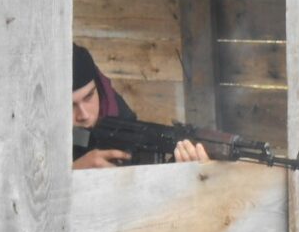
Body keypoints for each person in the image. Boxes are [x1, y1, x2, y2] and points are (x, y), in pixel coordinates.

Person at [72, 44, 209, 169]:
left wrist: (179, 168)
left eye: (89, 96)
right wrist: (74, 171)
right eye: (70, 106)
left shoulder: (119, 119)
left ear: (99, 87)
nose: (83, 115)